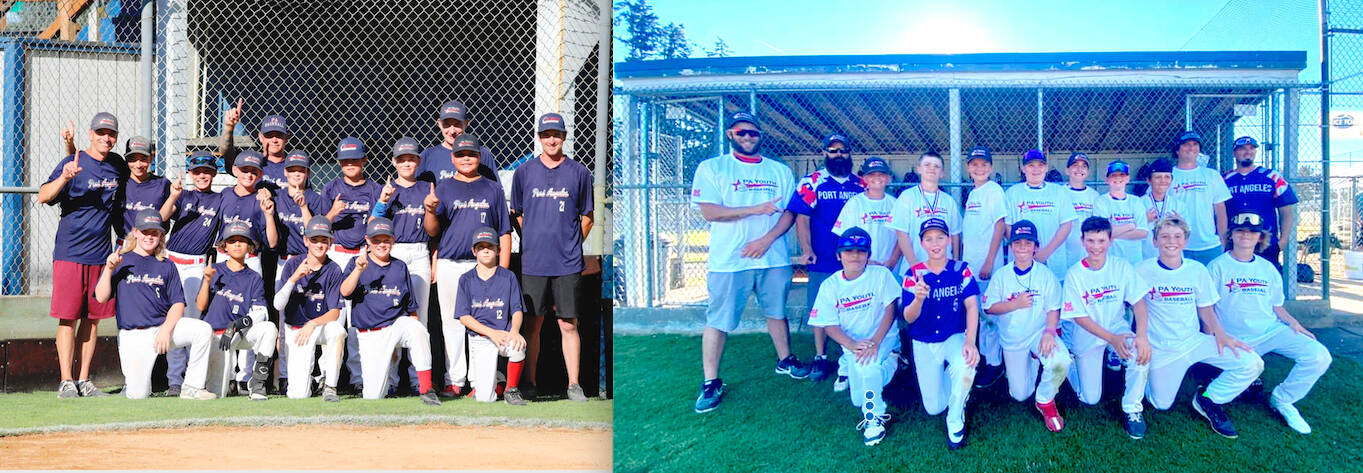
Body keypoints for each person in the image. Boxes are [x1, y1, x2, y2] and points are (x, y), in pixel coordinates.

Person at [690, 112, 807, 414]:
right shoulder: (713, 167)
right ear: (730, 134)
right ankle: (711, 381)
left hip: (772, 256)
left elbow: (789, 212)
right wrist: (754, 208)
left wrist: (766, 240)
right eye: (741, 132)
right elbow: (710, 212)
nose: (747, 137)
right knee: (719, 320)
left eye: (753, 133)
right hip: (730, 260)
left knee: (776, 312)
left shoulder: (778, 170)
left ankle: (785, 360)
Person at [1135, 216, 1263, 439]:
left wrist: (1221, 335)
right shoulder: (1142, 270)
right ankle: (1149, 374)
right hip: (1163, 348)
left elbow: (1205, 309)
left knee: (1252, 363)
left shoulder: (1196, 270)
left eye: (1177, 236)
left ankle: (1208, 397)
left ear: (1185, 241)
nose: (1171, 241)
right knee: (1160, 404)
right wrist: (1141, 338)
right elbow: (1136, 309)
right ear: (1155, 241)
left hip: (1194, 341)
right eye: (1164, 236)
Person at [1208, 212, 1332, 434]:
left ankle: (1283, 399)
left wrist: (1295, 324)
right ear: (1231, 235)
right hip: (1235, 337)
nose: (1246, 235)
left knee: (1319, 356)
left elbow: (1277, 307)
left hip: (1270, 331)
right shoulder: (1217, 266)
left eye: (1252, 232)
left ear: (1260, 238)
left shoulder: (1267, 268)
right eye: (1240, 231)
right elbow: (1207, 308)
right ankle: (1208, 397)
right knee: (1250, 369)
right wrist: (1214, 336)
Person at [37, 112, 125, 398]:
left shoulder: (117, 166)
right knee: (68, 318)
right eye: (101, 132)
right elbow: (43, 195)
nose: (106, 138)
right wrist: (64, 177)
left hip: (101, 255)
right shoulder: (71, 162)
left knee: (93, 319)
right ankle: (66, 381)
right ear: (90, 134)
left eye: (111, 134)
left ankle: (84, 380)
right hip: (70, 252)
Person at [511, 112, 595, 402]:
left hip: (567, 262)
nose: (551, 139)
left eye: (556, 134)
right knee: (533, 323)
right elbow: (518, 215)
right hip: (534, 261)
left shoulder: (579, 172)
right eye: (546, 135)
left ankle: (574, 384)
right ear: (539, 138)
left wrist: (569, 244)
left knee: (568, 324)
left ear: (564, 137)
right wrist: (535, 240)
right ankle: (529, 383)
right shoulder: (524, 172)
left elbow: (587, 218)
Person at [94, 210, 216, 400]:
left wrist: (166, 330)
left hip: (162, 328)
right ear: (135, 232)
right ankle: (135, 386)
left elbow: (177, 304)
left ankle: (192, 386)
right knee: (138, 395)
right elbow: (101, 297)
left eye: (155, 232)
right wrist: (109, 269)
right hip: (134, 334)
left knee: (203, 330)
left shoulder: (166, 265)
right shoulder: (121, 260)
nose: (150, 237)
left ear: (161, 235)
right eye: (145, 232)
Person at [425, 133, 512, 397]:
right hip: (450, 262)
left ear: (479, 157)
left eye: (471, 154)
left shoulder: (492, 188)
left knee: (483, 323)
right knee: (451, 325)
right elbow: (432, 232)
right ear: (452, 158)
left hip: (483, 267)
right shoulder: (444, 188)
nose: (466, 159)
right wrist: (429, 210)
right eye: (461, 154)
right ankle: (455, 381)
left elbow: (505, 232)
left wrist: (503, 272)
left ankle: (480, 382)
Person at [807, 227, 900, 446]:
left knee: (867, 370)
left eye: (861, 251)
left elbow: (890, 309)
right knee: (858, 397)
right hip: (853, 345)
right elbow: (829, 325)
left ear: (868, 254)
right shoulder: (830, 285)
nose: (855, 256)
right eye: (848, 251)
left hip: (883, 339)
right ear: (839, 255)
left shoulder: (881, 275)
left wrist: (876, 342)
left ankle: (874, 418)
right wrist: (852, 345)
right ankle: (892, 363)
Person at [1060, 216, 1152, 440]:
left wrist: (1141, 335)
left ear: (1110, 240)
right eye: (1090, 241)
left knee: (1140, 353)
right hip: (1088, 334)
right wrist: (1111, 339)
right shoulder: (1075, 274)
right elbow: (1080, 317)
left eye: (1101, 241)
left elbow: (1139, 301)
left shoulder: (1121, 266)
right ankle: (1070, 363)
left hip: (1117, 327)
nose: (1096, 247)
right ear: (1082, 241)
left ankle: (1133, 409)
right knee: (1089, 398)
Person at [339, 218, 441, 406]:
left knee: (418, 329)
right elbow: (345, 292)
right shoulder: (357, 262)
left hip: (396, 325)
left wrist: (410, 336)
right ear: (367, 240)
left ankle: (426, 389)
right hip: (371, 334)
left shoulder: (400, 266)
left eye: (386, 240)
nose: (381, 244)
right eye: (376, 240)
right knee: (373, 396)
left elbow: (411, 309)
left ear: (393, 240)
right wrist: (359, 271)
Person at [981, 220, 1071, 432]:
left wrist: (1050, 331)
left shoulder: (1045, 274)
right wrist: (1015, 304)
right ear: (1011, 246)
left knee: (1061, 361)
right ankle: (1033, 359)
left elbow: (1053, 308)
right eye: (1018, 243)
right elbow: (988, 308)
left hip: (1038, 333)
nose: (1022, 248)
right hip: (1012, 340)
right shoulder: (1002, 275)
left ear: (1035, 246)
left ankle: (1045, 401)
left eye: (1027, 243)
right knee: (1020, 394)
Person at [789, 133, 865, 382]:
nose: (838, 155)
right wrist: (807, 249)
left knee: (858, 303)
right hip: (823, 255)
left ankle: (857, 348)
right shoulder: (812, 182)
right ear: (824, 153)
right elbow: (802, 218)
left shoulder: (860, 184)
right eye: (833, 150)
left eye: (843, 150)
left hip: (855, 256)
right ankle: (821, 356)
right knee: (820, 308)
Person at [901, 218, 980, 450]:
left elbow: (972, 306)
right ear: (922, 243)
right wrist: (918, 298)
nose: (935, 243)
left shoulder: (960, 269)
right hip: (924, 341)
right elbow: (908, 317)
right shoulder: (913, 273)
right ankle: (955, 383)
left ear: (948, 239)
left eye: (940, 237)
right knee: (934, 407)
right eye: (929, 239)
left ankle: (956, 418)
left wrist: (970, 340)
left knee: (966, 367)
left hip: (953, 336)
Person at [831, 156, 900, 392]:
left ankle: (893, 352)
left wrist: (890, 262)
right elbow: (843, 238)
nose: (877, 179)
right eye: (871, 175)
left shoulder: (894, 203)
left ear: (888, 178)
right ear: (864, 179)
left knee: (887, 310)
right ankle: (846, 365)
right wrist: (863, 262)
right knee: (857, 316)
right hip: (861, 267)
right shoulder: (855, 204)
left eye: (881, 175)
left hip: (889, 268)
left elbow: (902, 237)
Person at [375, 137, 435, 396]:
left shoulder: (427, 187)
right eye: (402, 159)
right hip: (394, 251)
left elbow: (435, 231)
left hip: (419, 250)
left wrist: (434, 258)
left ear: (418, 161)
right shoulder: (387, 188)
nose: (407, 163)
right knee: (390, 314)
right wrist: (383, 201)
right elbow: (373, 225)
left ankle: (417, 380)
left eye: (411, 158)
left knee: (418, 318)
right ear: (394, 162)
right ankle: (389, 380)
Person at [322, 137, 383, 392]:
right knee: (335, 317)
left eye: (355, 160)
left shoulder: (375, 189)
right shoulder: (330, 188)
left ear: (364, 160)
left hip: (362, 253)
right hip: (336, 252)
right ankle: (328, 378)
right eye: (345, 161)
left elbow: (380, 224)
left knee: (358, 315)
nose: (350, 164)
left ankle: (358, 378)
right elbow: (319, 227)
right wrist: (333, 214)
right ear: (339, 162)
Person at [162, 151, 224, 396]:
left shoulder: (220, 199)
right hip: (173, 260)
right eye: (197, 172)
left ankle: (191, 379)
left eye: (207, 172)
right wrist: (173, 197)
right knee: (174, 320)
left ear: (214, 174)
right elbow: (161, 218)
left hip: (198, 264)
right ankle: (173, 380)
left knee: (193, 321)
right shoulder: (184, 195)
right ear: (190, 174)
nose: (202, 176)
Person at [197, 222, 278, 400]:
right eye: (232, 241)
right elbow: (200, 307)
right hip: (216, 336)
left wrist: (236, 325)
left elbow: (260, 312)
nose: (237, 244)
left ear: (250, 247)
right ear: (224, 246)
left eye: (242, 241)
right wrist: (206, 281)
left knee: (269, 328)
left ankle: (257, 384)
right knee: (217, 393)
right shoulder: (215, 271)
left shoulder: (254, 277)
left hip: (237, 332)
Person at [274, 216, 347, 401]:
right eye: (314, 239)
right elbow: (278, 305)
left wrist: (312, 324)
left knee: (337, 330)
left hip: (318, 326)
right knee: (298, 394)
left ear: (330, 242)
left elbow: (335, 312)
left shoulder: (334, 269)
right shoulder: (292, 264)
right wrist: (294, 279)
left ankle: (330, 386)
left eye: (324, 240)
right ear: (306, 240)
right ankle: (311, 384)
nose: (319, 244)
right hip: (296, 329)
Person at [269, 150, 323, 394]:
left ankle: (313, 374)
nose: (296, 174)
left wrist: (303, 207)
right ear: (285, 172)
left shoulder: (315, 197)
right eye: (292, 170)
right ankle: (283, 376)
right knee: (283, 321)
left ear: (307, 173)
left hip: (309, 261)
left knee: (311, 312)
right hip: (285, 262)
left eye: (301, 170)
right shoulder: (277, 196)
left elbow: (314, 234)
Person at [457, 227, 529, 405]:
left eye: (490, 246)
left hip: (504, 335)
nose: (486, 250)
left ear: (498, 250)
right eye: (481, 246)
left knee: (518, 346)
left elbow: (517, 310)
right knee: (485, 399)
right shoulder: (466, 279)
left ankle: (511, 389)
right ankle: (497, 383)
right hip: (481, 338)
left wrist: (514, 330)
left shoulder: (508, 277)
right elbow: (464, 317)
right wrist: (491, 333)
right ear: (474, 251)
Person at [961, 146, 1008, 389]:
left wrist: (989, 260)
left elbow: (1000, 225)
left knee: (989, 315)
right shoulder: (974, 193)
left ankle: (995, 364)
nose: (979, 168)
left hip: (987, 267)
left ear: (990, 168)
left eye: (984, 164)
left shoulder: (993, 190)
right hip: (972, 266)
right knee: (978, 314)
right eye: (974, 164)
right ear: (968, 168)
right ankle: (984, 359)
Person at [1223, 136, 1298, 268]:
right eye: (1242, 149)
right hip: (1234, 242)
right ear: (1234, 153)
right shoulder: (1224, 179)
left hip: (1265, 242)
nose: (1248, 152)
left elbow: (1286, 211)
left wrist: (1283, 240)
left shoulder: (1272, 176)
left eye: (1251, 148)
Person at [1004, 149, 1076, 282]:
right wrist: (1025, 251)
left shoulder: (1058, 192)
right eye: (1031, 165)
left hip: (1053, 260)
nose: (1036, 169)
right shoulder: (1012, 193)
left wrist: (1045, 252)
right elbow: (1007, 227)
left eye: (1040, 165)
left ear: (1046, 168)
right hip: (1021, 261)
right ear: (1023, 168)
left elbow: (1066, 225)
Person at [889, 152, 961, 274]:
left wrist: (955, 263)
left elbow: (955, 234)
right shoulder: (907, 196)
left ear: (942, 173)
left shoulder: (948, 200)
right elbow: (901, 234)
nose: (932, 168)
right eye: (927, 164)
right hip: (915, 267)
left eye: (936, 166)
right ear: (919, 169)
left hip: (944, 268)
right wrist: (914, 265)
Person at [1168, 131, 1231, 265]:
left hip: (1209, 245)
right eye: (1186, 144)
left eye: (1195, 144)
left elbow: (1220, 211)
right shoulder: (1167, 176)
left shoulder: (1211, 175)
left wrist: (1223, 240)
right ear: (1177, 150)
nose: (1191, 148)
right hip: (1178, 244)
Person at [214, 149, 278, 274]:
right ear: (235, 170)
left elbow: (272, 243)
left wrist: (269, 215)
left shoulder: (262, 199)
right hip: (224, 255)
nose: (249, 175)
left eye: (254, 172)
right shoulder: (225, 194)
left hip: (251, 258)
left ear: (260, 174)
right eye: (244, 170)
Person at [417, 100, 498, 183]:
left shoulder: (482, 154)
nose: (452, 131)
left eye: (457, 125)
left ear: (466, 123)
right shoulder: (428, 156)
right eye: (447, 125)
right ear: (439, 124)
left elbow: (495, 191)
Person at [115, 136, 169, 244]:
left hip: (151, 246)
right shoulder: (119, 183)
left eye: (143, 159)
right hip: (125, 245)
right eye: (133, 159)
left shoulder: (162, 184)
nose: (138, 165)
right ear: (126, 160)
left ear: (151, 158)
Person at [1093, 161, 1148, 264]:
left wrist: (1113, 234)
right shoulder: (1101, 201)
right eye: (1113, 175)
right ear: (1107, 180)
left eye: (1122, 175)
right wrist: (1130, 226)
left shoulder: (1136, 201)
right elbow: (1101, 233)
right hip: (1110, 260)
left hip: (1134, 261)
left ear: (1127, 178)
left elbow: (1143, 232)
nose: (1118, 178)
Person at [1063, 153, 1100, 274]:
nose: (1079, 169)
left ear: (1088, 172)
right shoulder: (1059, 193)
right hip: (1064, 255)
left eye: (1084, 166)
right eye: (1075, 165)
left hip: (1088, 253)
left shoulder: (1094, 196)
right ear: (1067, 170)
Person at [1139, 158, 1176, 260]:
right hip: (1146, 257)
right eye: (1158, 177)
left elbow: (1187, 232)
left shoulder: (1179, 205)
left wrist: (1179, 223)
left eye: (1167, 177)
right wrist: (1143, 219)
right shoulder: (1138, 203)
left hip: (1172, 258)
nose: (1163, 181)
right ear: (1148, 180)